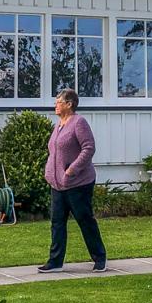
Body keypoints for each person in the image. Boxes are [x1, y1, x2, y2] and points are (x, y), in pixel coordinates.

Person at [39, 88, 108, 273]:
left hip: (78, 183)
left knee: (85, 220)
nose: (55, 105)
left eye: (58, 102)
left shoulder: (79, 122)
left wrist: (71, 170)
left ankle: (100, 258)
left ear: (69, 104)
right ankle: (55, 262)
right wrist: (49, 172)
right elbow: (54, 152)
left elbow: (88, 148)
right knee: (57, 223)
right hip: (57, 184)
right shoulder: (58, 125)